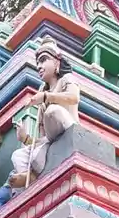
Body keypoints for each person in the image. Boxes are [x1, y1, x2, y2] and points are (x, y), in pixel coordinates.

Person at [8, 38, 80, 190]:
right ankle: (31, 177)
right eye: (37, 63)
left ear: (57, 63)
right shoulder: (42, 95)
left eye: (43, 60)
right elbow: (43, 138)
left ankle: (33, 175)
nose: (39, 67)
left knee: (52, 111)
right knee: (19, 155)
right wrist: (25, 138)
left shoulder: (66, 79)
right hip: (51, 138)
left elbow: (74, 97)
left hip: (68, 126)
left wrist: (47, 97)